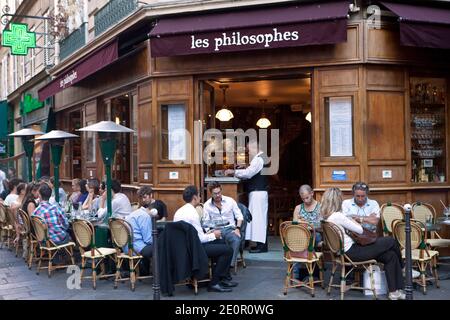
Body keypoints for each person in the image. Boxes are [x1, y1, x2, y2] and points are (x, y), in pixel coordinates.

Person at [321, 187, 406, 300]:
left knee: (391, 256)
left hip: (346, 252)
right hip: (353, 252)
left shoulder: (328, 217)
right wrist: (354, 220)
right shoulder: (338, 216)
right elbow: (360, 230)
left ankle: (394, 292)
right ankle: (403, 268)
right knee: (391, 241)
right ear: (337, 200)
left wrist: (352, 219)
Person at [174, 185, 237, 292]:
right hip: (194, 249)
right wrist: (213, 234)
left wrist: (211, 234)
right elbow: (200, 239)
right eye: (198, 195)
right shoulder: (192, 213)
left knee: (220, 242)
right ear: (194, 197)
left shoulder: (179, 211)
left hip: (184, 247)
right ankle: (214, 283)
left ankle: (222, 278)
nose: (200, 197)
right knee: (228, 250)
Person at [225, 139, 269, 253]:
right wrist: (244, 167)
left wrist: (233, 172)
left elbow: (249, 173)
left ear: (255, 148)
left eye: (249, 150)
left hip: (258, 192)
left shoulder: (259, 159)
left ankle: (262, 246)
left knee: (259, 220)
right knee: (258, 219)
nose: (248, 153)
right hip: (258, 192)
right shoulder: (260, 159)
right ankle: (259, 245)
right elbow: (250, 170)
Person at [203, 181, 244, 273]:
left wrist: (238, 229)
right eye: (215, 193)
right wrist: (211, 232)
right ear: (211, 193)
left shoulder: (230, 201)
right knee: (213, 244)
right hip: (216, 230)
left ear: (221, 191)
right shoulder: (206, 205)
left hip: (230, 229)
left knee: (236, 239)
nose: (218, 195)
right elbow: (206, 222)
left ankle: (229, 266)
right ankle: (219, 266)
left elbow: (239, 216)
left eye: (219, 192)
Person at [292, 184, 322, 280]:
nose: (305, 200)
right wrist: (307, 224)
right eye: (303, 199)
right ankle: (300, 274)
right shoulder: (298, 208)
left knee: (305, 241)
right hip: (301, 235)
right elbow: (294, 225)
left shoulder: (320, 207)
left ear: (312, 193)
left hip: (316, 235)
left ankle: (302, 274)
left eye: (307, 198)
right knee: (296, 241)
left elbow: (321, 226)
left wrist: (305, 223)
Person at [125, 186, 157, 276]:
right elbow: (148, 240)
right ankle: (160, 276)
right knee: (162, 247)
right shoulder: (144, 216)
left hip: (127, 247)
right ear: (151, 196)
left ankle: (145, 271)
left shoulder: (133, 213)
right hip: (137, 248)